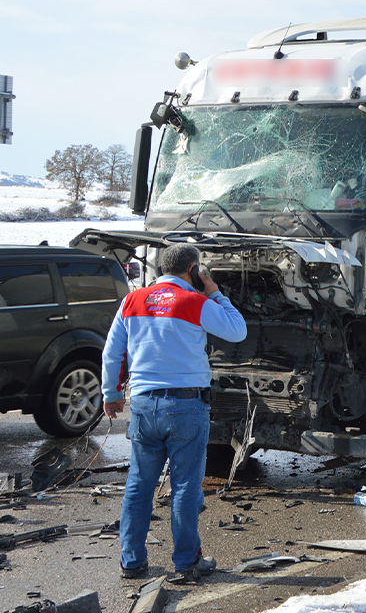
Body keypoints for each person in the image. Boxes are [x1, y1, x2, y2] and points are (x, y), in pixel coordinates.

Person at [101, 243, 247, 584]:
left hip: (143, 406)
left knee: (138, 486)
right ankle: (185, 562)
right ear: (193, 270)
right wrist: (214, 292)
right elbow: (237, 330)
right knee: (185, 488)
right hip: (185, 408)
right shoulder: (195, 302)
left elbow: (112, 352)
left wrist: (111, 395)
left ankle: (132, 562)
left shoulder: (132, 300)